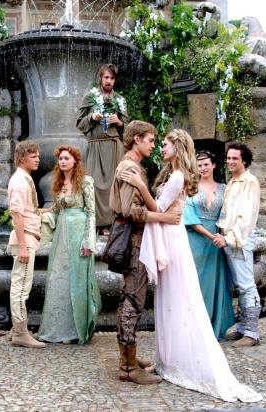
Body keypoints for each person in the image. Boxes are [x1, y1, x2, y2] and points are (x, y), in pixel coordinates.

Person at [122, 129, 262, 402]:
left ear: (177, 147)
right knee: (168, 300)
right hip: (171, 234)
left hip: (173, 239)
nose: (161, 147)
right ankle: (166, 359)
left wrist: (140, 185)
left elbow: (159, 209)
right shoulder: (172, 174)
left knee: (177, 298)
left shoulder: (178, 176)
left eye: (165, 144)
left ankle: (177, 360)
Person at [109, 120, 182, 385]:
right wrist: (164, 218)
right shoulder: (130, 167)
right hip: (135, 243)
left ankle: (128, 358)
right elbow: (130, 211)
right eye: (150, 140)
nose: (153, 145)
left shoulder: (132, 166)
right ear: (137, 139)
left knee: (129, 299)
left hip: (137, 241)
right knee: (133, 301)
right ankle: (128, 367)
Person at [37, 145, 101, 344]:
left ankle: (76, 330)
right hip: (62, 235)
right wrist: (37, 213)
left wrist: (88, 241)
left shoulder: (86, 181)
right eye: (60, 159)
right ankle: (59, 329)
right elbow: (56, 210)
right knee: (60, 279)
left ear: (75, 161)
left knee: (78, 279)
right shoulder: (58, 182)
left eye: (66, 158)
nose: (62, 162)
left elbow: (91, 212)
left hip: (79, 233)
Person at [183, 150, 235, 341]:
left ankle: (213, 325)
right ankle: (194, 329)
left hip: (217, 241)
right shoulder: (190, 187)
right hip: (196, 239)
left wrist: (224, 236)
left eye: (206, 164)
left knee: (215, 283)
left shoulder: (224, 188)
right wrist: (211, 236)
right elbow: (188, 217)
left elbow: (228, 213)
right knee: (196, 283)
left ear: (214, 165)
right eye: (199, 165)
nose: (203, 168)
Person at [214, 143, 262, 348]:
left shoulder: (249, 181)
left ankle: (252, 332)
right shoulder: (233, 181)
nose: (230, 161)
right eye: (228, 158)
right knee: (239, 284)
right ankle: (243, 328)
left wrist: (230, 238)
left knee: (246, 284)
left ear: (244, 161)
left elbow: (246, 215)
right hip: (229, 237)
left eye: (235, 158)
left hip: (239, 239)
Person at [77, 63, 129, 233]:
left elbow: (128, 129)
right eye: (106, 77)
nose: (109, 81)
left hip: (114, 147)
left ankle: (111, 224)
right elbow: (79, 124)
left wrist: (119, 122)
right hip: (95, 146)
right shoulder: (89, 98)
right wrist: (91, 117)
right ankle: (95, 223)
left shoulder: (120, 100)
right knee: (93, 185)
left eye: (112, 78)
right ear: (100, 78)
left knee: (114, 185)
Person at [6, 141, 46, 349]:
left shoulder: (25, 178)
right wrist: (23, 247)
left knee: (21, 285)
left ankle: (16, 330)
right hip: (24, 240)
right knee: (21, 288)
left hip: (27, 238)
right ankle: (21, 332)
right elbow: (16, 214)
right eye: (33, 156)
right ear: (22, 158)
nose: (38, 159)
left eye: (38, 155)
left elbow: (28, 211)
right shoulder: (19, 181)